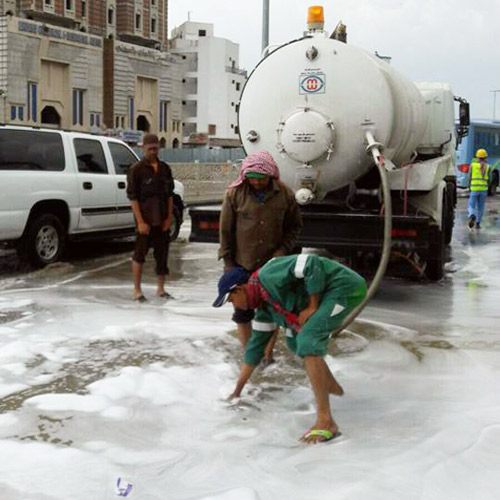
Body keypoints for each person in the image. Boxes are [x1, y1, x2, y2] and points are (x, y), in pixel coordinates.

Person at [213, 254, 367, 444]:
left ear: (240, 289)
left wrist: (312, 306)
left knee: (308, 340)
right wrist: (237, 391)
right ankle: (333, 387)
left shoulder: (269, 275)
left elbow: (311, 263)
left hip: (343, 287)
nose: (234, 305)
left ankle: (326, 422)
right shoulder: (265, 308)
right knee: (296, 343)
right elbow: (254, 350)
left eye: (231, 300)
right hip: (328, 294)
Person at [218, 151, 303, 363]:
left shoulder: (285, 195)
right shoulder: (234, 194)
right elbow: (225, 232)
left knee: (270, 313)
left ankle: (267, 354)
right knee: (242, 313)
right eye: (252, 179)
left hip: (273, 267)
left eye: (261, 179)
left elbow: (294, 228)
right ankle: (250, 353)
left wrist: (282, 251)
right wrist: (228, 264)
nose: (256, 183)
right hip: (242, 264)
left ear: (271, 175)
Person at [126, 133, 174, 301]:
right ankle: (137, 291)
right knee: (140, 255)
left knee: (162, 255)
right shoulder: (136, 170)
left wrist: (169, 218)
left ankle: (161, 289)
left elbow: (169, 195)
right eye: (150, 148)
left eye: (155, 148)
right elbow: (133, 198)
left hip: (162, 220)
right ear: (143, 149)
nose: (153, 151)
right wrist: (140, 221)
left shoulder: (165, 169)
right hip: (145, 220)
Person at [468, 148, 490, 229]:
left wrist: (469, 186)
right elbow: (490, 179)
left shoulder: (473, 165)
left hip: (474, 189)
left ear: (477, 157)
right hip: (483, 190)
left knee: (471, 205)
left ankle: (471, 215)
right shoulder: (488, 166)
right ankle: (477, 224)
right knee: (480, 207)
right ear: (485, 157)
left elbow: (469, 177)